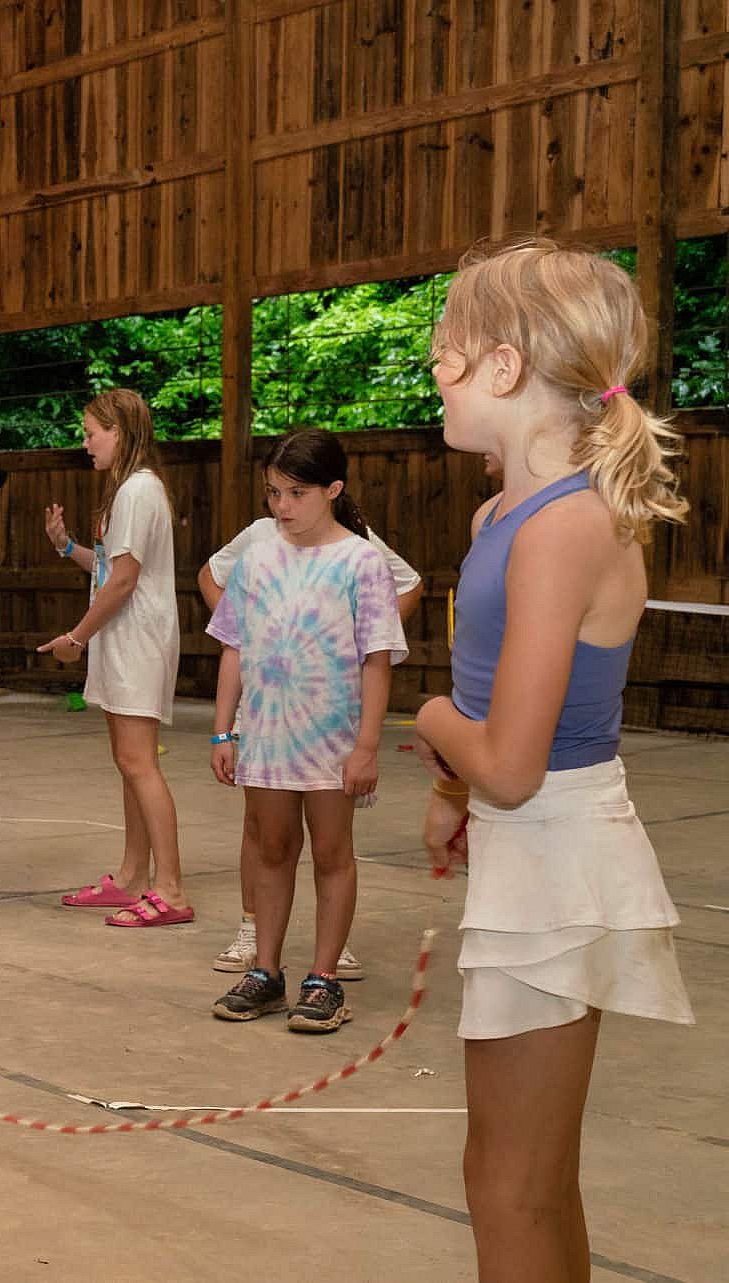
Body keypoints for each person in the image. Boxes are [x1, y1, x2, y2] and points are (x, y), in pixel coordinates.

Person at [413, 240, 693, 1282]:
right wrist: (455, 786)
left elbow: (513, 759)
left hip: (558, 854)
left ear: (501, 367)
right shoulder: (500, 513)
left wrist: (438, 721)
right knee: (517, 1172)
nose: (432, 372)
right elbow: (500, 718)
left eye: (444, 351)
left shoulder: (567, 526)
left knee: (513, 1183)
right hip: (521, 844)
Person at [206, 429, 407, 1033]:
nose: (282, 507)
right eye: (273, 493)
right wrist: (224, 731)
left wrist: (366, 745)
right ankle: (266, 972)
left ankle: (325, 979)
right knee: (271, 851)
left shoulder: (361, 562)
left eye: (297, 493)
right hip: (266, 737)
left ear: (334, 490)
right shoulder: (258, 558)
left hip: (332, 744)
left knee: (330, 854)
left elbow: (377, 658)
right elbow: (233, 648)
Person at [38, 389, 192, 927]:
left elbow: (124, 581)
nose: (85, 444)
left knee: (139, 763)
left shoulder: (138, 491)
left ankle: (169, 887)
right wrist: (67, 547)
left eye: (91, 432)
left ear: (119, 431)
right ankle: (131, 877)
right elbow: (109, 568)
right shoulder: (128, 491)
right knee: (129, 764)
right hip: (120, 641)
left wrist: (75, 638)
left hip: (136, 642)